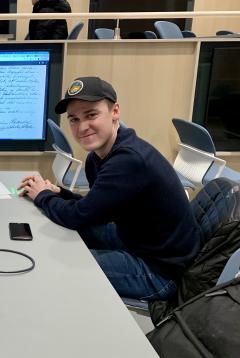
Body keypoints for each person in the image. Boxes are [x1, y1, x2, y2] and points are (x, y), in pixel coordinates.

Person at [19, 76, 200, 301]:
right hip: (135, 240)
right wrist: (58, 192)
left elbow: (78, 216)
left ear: (115, 111)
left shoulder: (127, 161)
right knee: (64, 237)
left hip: (159, 271)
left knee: (60, 263)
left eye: (91, 115)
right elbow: (96, 207)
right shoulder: (99, 157)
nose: (82, 127)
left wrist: (43, 196)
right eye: (74, 119)